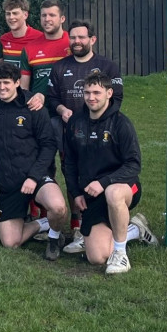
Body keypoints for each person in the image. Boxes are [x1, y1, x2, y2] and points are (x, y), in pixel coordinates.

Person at [64, 73, 158, 273]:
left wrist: (104, 182)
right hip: (92, 193)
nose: (91, 97)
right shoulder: (75, 123)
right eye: (87, 92)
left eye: (97, 92)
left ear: (109, 93)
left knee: (113, 193)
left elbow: (134, 164)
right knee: (97, 257)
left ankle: (121, 254)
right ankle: (135, 229)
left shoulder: (121, 123)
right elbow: (69, 162)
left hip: (123, 186)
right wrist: (76, 192)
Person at [46, 19, 124, 253]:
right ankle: (77, 226)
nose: (76, 42)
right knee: (72, 172)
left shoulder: (107, 66)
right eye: (73, 38)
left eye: (81, 37)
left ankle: (106, 219)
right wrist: (62, 110)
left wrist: (94, 119)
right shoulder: (60, 67)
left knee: (99, 173)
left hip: (101, 134)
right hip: (70, 132)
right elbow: (52, 99)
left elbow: (117, 99)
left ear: (92, 40)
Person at [0, 62, 68, 260]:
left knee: (57, 207)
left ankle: (54, 239)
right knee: (10, 243)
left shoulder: (33, 106)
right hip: (10, 182)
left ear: (17, 83)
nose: (2, 87)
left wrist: (33, 176)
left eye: (6, 83)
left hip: (37, 176)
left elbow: (49, 145)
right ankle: (44, 224)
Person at [19, 0, 71, 107]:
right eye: (44, 15)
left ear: (62, 19)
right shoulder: (29, 48)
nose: (47, 19)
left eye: (52, 15)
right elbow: (24, 89)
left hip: (69, 110)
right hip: (40, 111)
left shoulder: (73, 44)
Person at [0, 0, 44, 71]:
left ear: (25, 15)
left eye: (15, 13)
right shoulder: (3, 39)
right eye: (8, 14)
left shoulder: (39, 38)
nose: (11, 17)